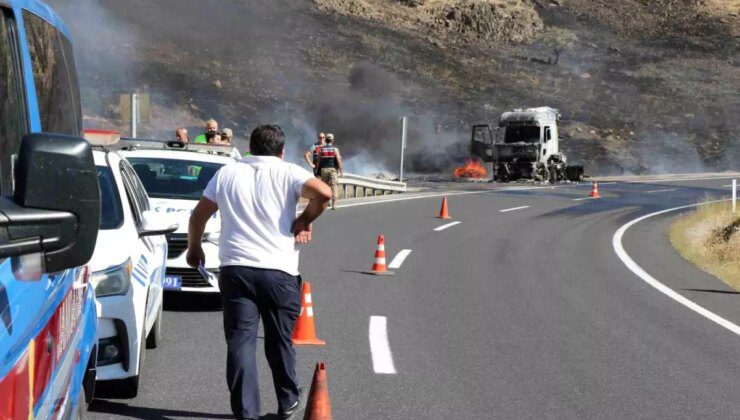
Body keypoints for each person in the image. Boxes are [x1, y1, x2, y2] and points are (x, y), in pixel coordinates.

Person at [187, 125, 332, 420]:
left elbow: (199, 214)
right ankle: (288, 400)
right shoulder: (289, 172)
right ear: (282, 150)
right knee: (279, 339)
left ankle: (246, 413)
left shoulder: (227, 173)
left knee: (241, 342)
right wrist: (304, 219)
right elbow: (324, 193)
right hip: (279, 271)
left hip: (236, 269)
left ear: (250, 147)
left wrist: (195, 249)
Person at [317, 133, 343, 210]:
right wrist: (341, 170)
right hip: (332, 170)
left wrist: (317, 171)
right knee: (334, 186)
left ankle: (326, 202)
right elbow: (338, 160)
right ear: (332, 140)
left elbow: (318, 161)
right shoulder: (335, 149)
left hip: (324, 170)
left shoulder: (321, 149)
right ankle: (334, 204)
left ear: (326, 139)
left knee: (325, 187)